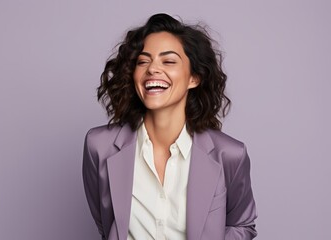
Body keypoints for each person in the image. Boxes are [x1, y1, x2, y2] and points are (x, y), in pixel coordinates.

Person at [83, 13, 257, 240]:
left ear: (193, 78)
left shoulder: (229, 155)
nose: (152, 69)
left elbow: (242, 225)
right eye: (143, 61)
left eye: (169, 61)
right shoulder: (100, 147)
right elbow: (107, 224)